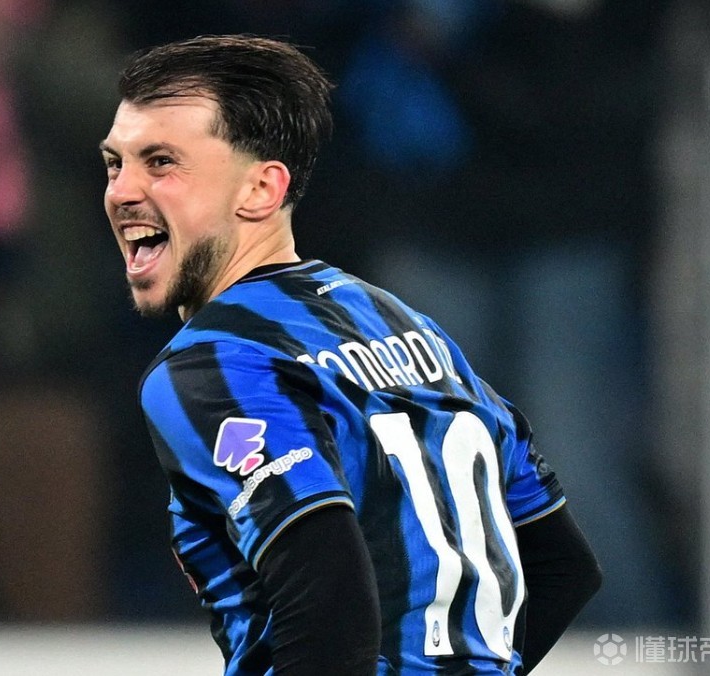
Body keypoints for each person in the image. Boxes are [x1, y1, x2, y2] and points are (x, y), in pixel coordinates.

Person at [100, 34, 601, 675]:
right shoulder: (404, 325)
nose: (122, 191)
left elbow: (329, 608)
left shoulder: (216, 363)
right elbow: (563, 565)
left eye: (162, 162)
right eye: (115, 164)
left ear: (260, 189)